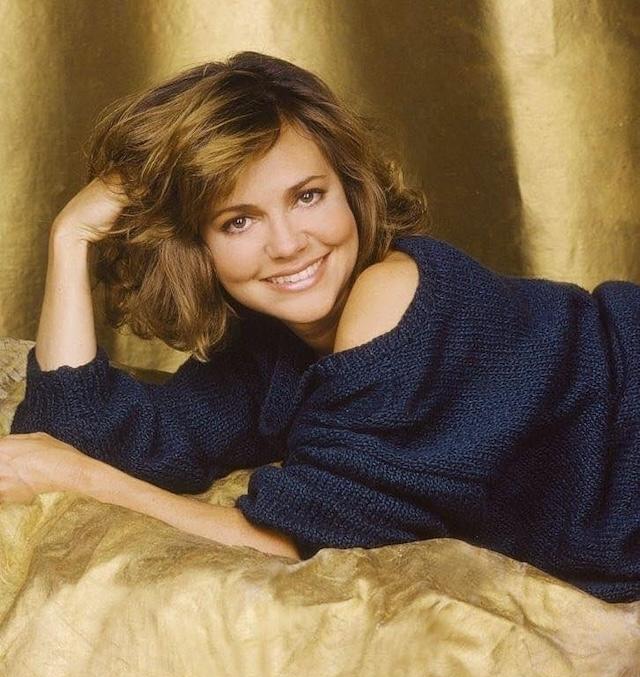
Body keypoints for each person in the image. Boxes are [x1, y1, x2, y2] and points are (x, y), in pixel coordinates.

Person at [1, 52, 639, 603]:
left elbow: (289, 542)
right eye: (238, 221)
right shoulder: (273, 344)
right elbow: (78, 435)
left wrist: (77, 478)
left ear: (349, 188)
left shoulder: (390, 296)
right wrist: (70, 238)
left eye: (308, 196)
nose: (287, 245)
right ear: (198, 247)